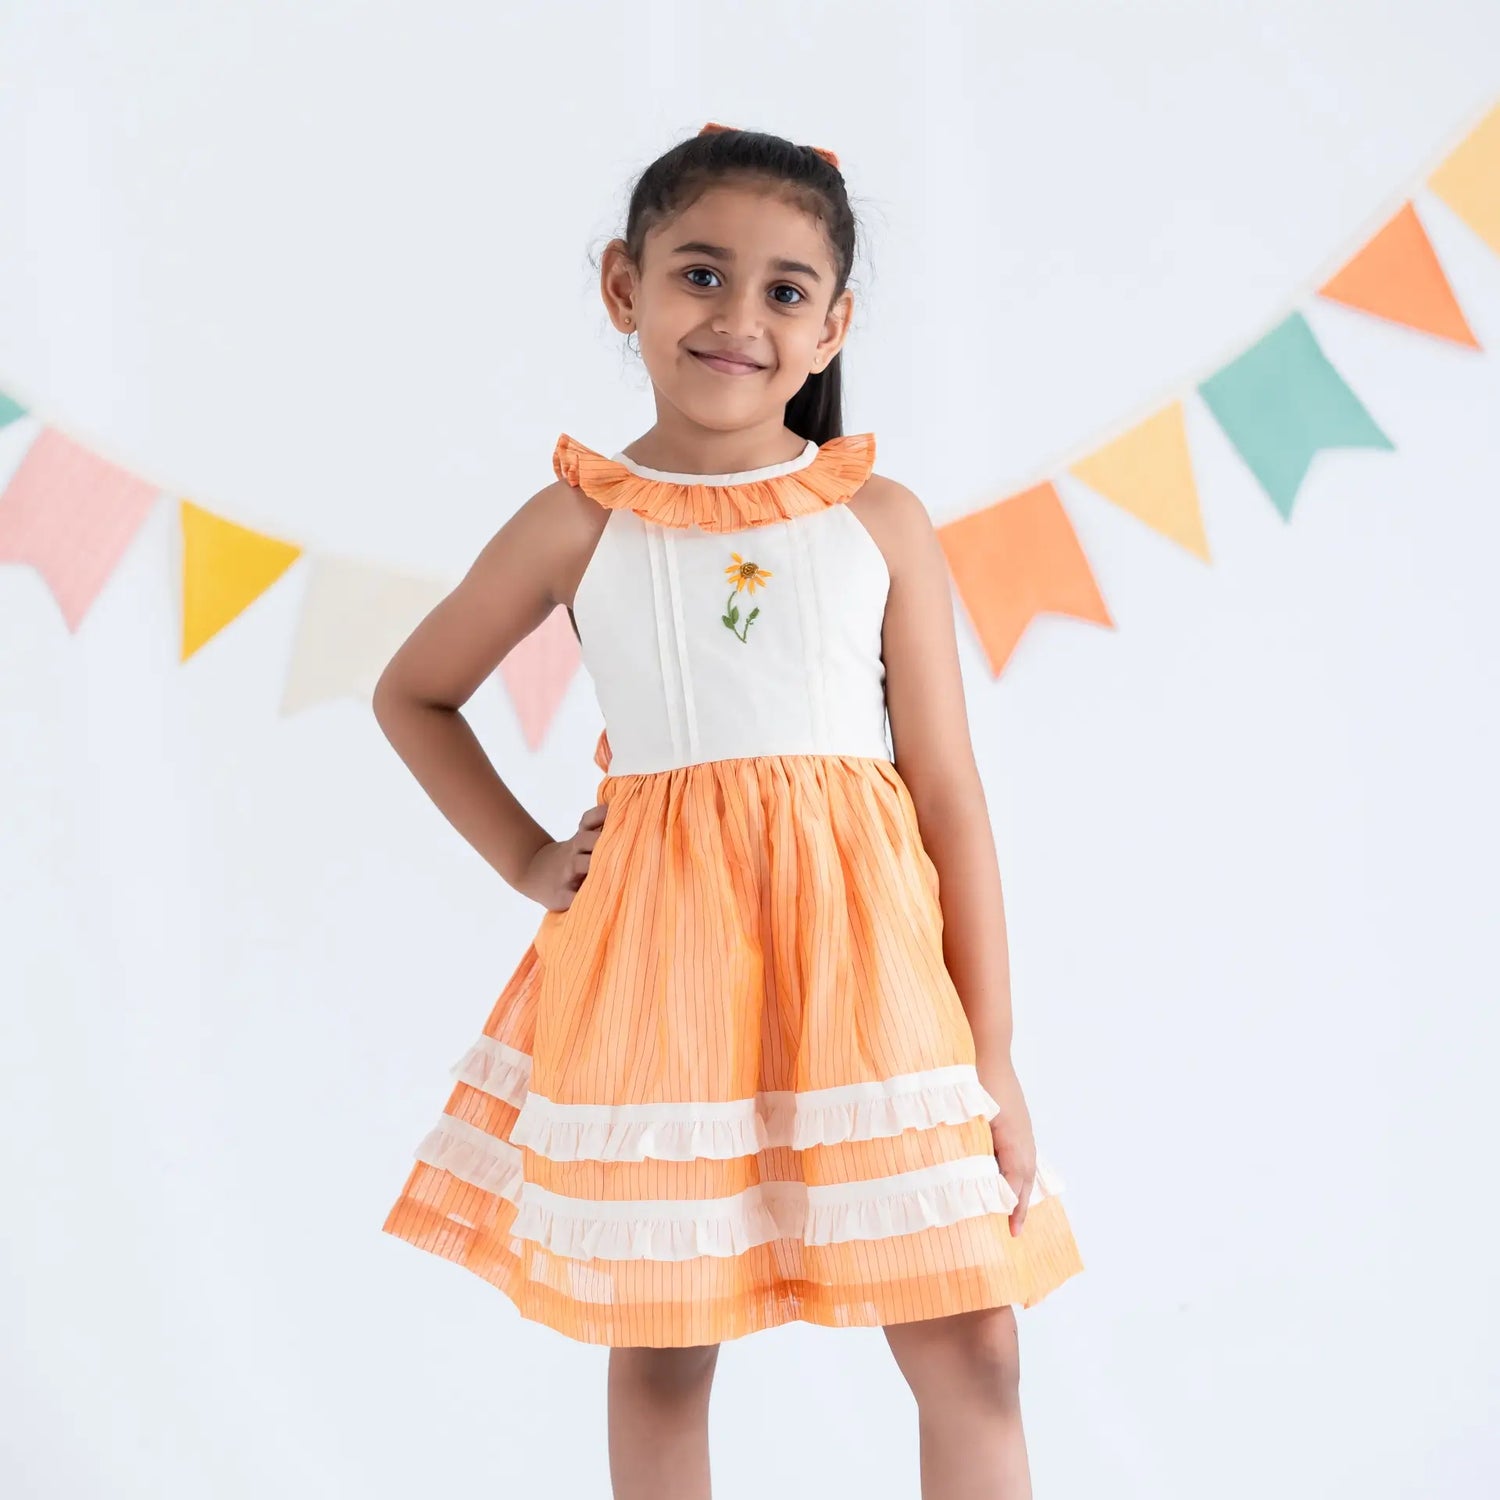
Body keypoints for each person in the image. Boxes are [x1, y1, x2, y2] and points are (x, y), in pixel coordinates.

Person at [375, 121, 1084, 1500]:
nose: (738, 317)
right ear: (622, 287)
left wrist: (991, 1051)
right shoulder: (577, 524)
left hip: (871, 976)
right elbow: (416, 694)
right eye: (701, 274)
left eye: (782, 291)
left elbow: (947, 793)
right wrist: (529, 856)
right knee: (664, 1344)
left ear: (833, 328)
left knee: (973, 1342)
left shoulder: (878, 519)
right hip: (661, 977)